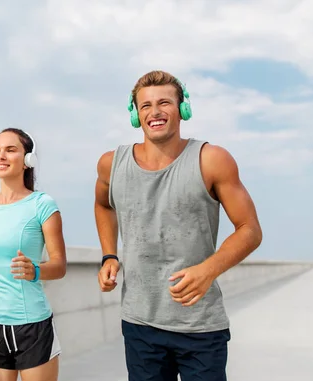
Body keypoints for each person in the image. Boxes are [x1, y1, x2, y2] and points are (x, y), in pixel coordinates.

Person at [94, 70, 263, 381]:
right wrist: (109, 255)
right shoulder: (111, 163)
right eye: (145, 106)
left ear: (183, 108)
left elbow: (250, 230)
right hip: (139, 323)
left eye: (164, 103)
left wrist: (208, 269)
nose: (155, 112)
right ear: (135, 114)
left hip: (200, 326)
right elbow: (104, 205)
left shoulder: (212, 159)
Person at [0, 127, 67, 381]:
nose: (1, 156)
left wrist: (35, 271)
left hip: (32, 328)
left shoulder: (42, 205)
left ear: (27, 160)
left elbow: (59, 265)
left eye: (10, 150)